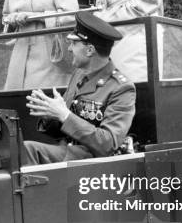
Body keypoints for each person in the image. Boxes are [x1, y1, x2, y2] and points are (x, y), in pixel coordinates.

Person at [23, 11, 136, 165]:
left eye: (73, 43)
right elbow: (64, 125)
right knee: (20, 149)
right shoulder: (79, 74)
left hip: (93, 162)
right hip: (69, 154)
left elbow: (108, 144)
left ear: (89, 50)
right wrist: (50, 114)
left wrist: (64, 115)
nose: (69, 49)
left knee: (28, 149)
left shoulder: (121, 88)